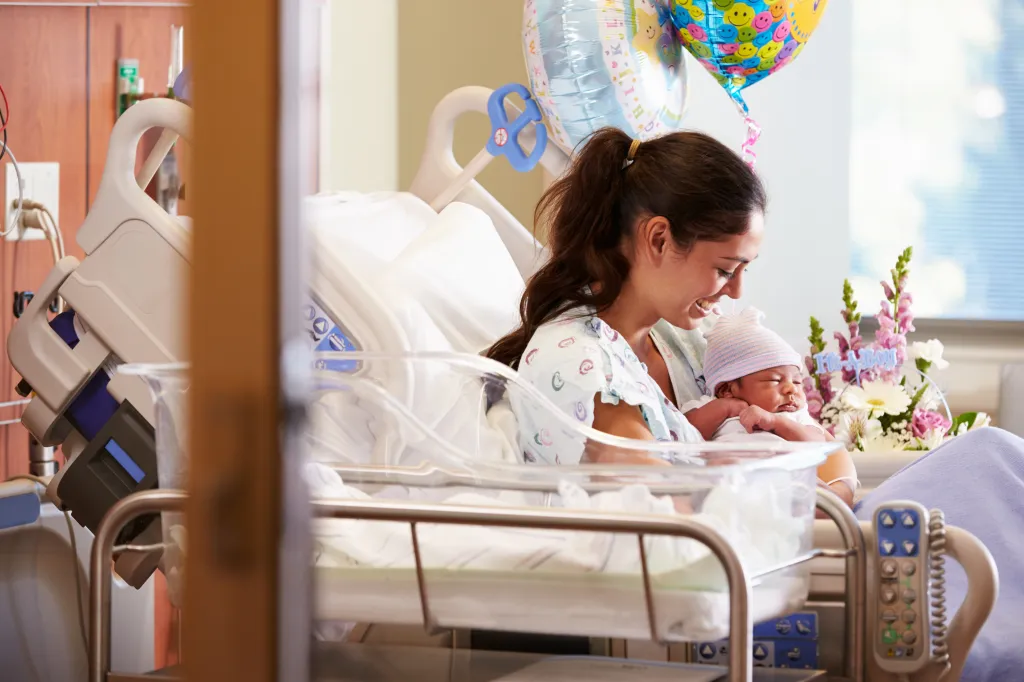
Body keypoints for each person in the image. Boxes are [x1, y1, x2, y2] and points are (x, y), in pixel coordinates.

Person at [681, 306, 857, 507]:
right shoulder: (713, 407)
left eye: (797, 382)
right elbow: (687, 432)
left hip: (790, 484)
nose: (791, 388)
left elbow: (818, 444)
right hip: (734, 485)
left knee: (824, 500)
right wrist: (725, 408)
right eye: (775, 380)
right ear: (727, 390)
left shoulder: (794, 416)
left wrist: (775, 423)